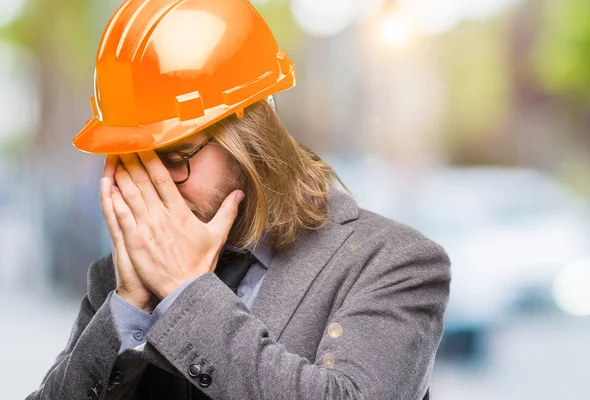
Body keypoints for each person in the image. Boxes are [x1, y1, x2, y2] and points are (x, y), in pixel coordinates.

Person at [28, 0, 451, 399]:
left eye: (175, 158)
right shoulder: (120, 277)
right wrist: (128, 308)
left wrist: (185, 292)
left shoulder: (396, 263)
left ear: (251, 137)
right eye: (134, 163)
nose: (155, 188)